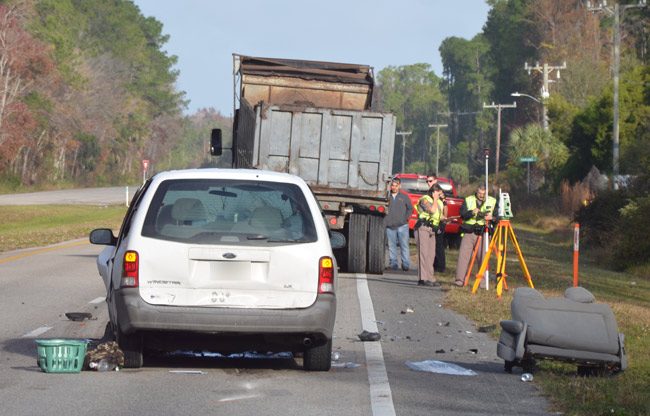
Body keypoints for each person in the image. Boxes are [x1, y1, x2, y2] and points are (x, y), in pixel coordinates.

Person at [454, 184, 497, 287]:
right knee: (463, 257)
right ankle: (459, 280)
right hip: (469, 232)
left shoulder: (493, 201)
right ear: (476, 191)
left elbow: (498, 216)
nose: (481, 196)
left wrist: (493, 218)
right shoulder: (468, 199)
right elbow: (463, 214)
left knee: (483, 258)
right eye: (479, 193)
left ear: (487, 193)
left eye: (483, 194)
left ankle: (482, 283)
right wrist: (472, 212)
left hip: (484, 232)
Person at [414, 183, 445, 287]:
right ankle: (422, 279)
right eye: (438, 193)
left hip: (432, 230)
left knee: (431, 255)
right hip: (423, 227)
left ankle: (430, 277)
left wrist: (445, 218)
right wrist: (436, 199)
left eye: (440, 194)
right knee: (424, 253)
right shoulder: (425, 199)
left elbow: (438, 215)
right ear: (433, 192)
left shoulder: (439, 202)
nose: (440, 195)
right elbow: (431, 210)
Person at [385, 178, 413, 271]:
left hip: (402, 226)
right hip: (390, 226)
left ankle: (405, 264)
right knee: (392, 246)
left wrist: (406, 219)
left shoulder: (404, 197)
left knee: (404, 245)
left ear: (399, 186)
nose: (394, 187)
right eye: (392, 185)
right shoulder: (386, 197)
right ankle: (393, 264)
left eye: (396, 186)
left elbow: (410, 209)